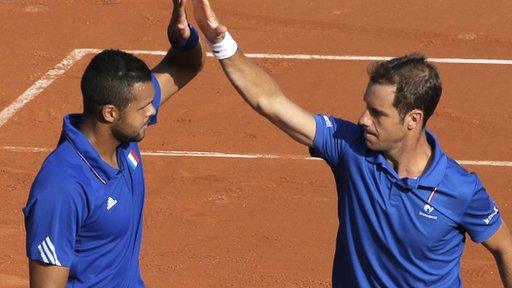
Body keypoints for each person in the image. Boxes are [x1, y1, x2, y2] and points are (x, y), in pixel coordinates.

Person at [189, 0, 512, 287]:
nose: (362, 119)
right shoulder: (350, 147)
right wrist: (221, 43)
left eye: (377, 113)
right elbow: (269, 101)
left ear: (412, 119)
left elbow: (503, 246)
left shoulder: (460, 189)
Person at [22, 1, 203, 286]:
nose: (153, 110)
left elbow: (185, 64)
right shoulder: (62, 188)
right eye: (144, 107)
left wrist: (183, 39)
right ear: (110, 113)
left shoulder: (121, 137)